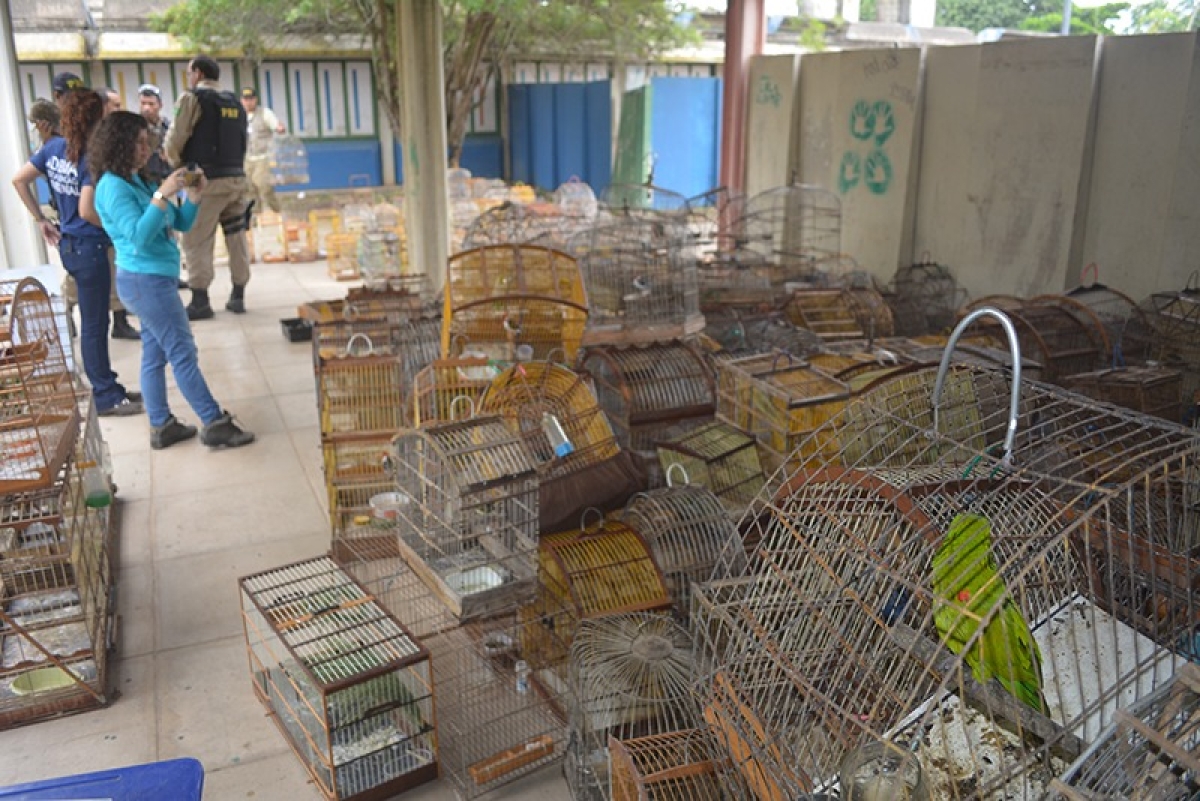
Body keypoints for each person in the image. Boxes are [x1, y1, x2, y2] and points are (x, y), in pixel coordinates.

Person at [91, 111, 255, 449]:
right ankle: (214, 422)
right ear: (117, 145)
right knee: (182, 351)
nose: (145, 147)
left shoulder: (139, 179)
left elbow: (179, 223)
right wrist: (162, 195)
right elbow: (138, 237)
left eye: (145, 140)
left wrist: (193, 197)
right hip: (143, 281)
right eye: (136, 142)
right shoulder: (112, 187)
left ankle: (161, 425)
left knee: (154, 354)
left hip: (154, 280)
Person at [12, 92, 142, 417]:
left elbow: (18, 179)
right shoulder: (88, 157)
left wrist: (40, 219)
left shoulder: (53, 148)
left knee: (92, 321)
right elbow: (87, 210)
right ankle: (105, 395)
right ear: (94, 120)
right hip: (89, 247)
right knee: (95, 324)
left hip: (70, 246)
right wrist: (117, 228)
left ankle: (108, 384)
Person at [164, 55, 251, 320]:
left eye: (189, 72)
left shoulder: (192, 98)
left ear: (198, 73)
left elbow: (175, 138)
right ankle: (238, 294)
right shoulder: (235, 102)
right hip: (236, 178)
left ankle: (200, 300)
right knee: (236, 237)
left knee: (196, 237)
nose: (188, 77)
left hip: (201, 178)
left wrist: (178, 167)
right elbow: (242, 141)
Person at [240, 86, 284, 217]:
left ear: (256, 100)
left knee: (263, 185)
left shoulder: (265, 113)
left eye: (251, 99)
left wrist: (279, 127)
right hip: (246, 157)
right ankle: (255, 215)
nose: (248, 102)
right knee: (248, 187)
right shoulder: (238, 115)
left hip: (263, 156)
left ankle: (277, 210)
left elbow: (275, 124)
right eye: (245, 99)